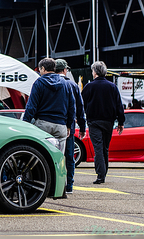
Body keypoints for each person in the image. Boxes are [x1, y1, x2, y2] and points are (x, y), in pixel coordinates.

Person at [81, 61, 125, 184]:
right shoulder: (112, 87)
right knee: (105, 148)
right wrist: (121, 121)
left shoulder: (89, 87)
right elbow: (118, 105)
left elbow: (81, 104)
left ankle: (101, 174)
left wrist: (81, 119)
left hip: (94, 121)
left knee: (98, 148)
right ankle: (104, 171)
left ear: (94, 72)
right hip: (108, 122)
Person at [23, 58, 75, 155]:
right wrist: (69, 125)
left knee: (42, 154)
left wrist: (25, 123)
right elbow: (72, 107)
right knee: (59, 156)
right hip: (61, 125)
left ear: (43, 68)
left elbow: (31, 107)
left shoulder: (39, 83)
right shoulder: (66, 84)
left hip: (43, 124)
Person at [55, 59, 86, 194]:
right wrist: (83, 127)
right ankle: (69, 185)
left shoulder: (47, 83)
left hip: (50, 124)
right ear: (65, 70)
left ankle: (55, 184)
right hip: (68, 126)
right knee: (69, 156)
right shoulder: (72, 85)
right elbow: (79, 108)